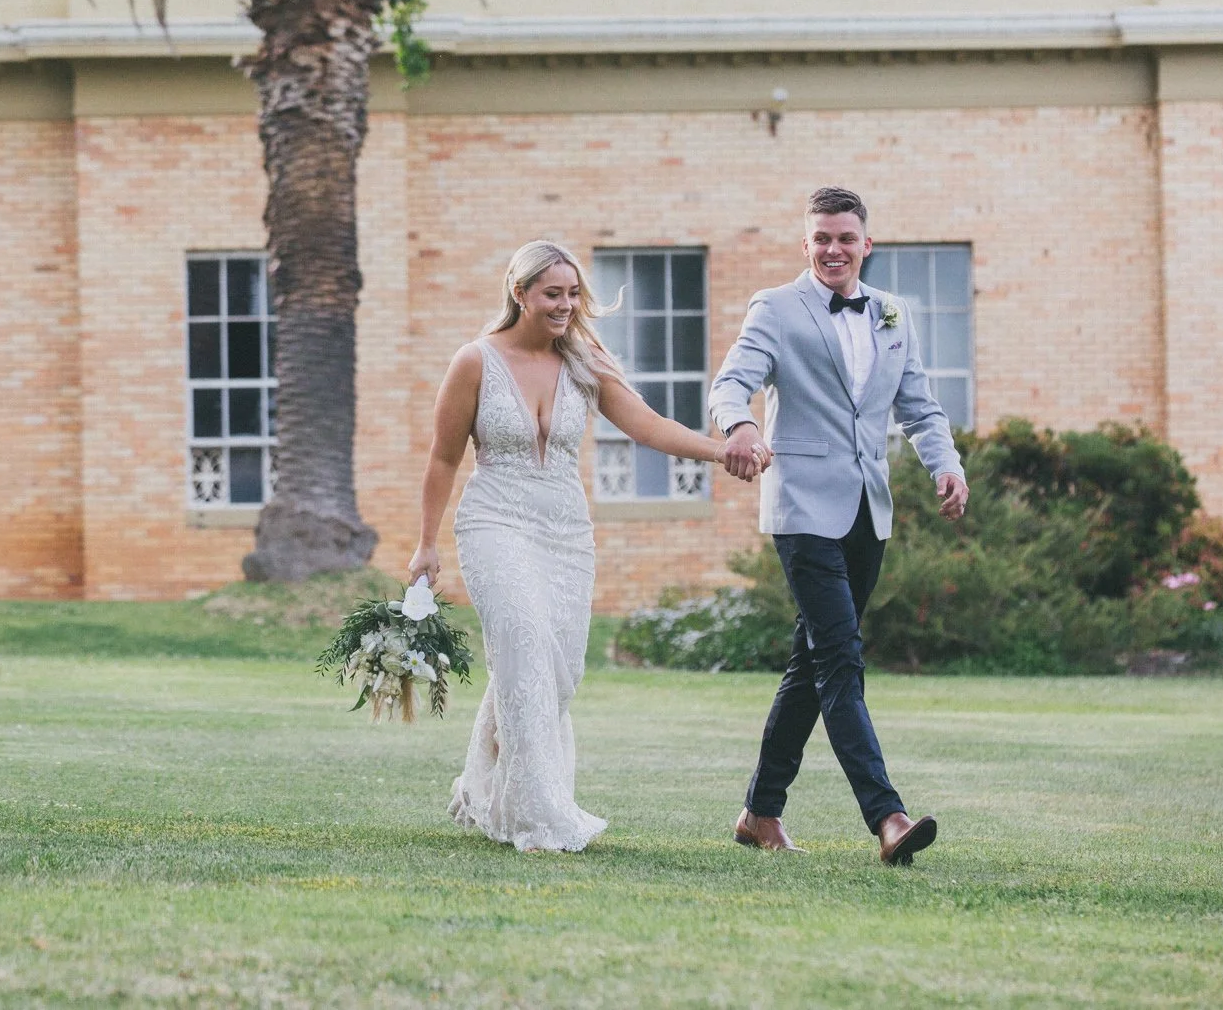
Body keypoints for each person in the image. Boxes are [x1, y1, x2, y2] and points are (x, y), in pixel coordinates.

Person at [407, 240, 747, 852]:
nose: (566, 306)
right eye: (552, 295)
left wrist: (719, 450)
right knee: (525, 642)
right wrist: (425, 545)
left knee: (554, 669)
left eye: (572, 295)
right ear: (520, 294)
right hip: (495, 524)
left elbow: (647, 425)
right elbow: (442, 457)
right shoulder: (475, 362)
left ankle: (480, 784)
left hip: (566, 533)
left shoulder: (585, 360)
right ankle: (538, 815)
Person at [711, 186, 970, 865]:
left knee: (812, 663)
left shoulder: (893, 312)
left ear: (866, 244)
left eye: (845, 238)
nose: (833, 249)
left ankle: (760, 812)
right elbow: (730, 383)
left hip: (868, 511)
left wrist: (947, 465)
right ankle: (888, 817)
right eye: (821, 238)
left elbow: (920, 405)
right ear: (807, 244)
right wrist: (739, 424)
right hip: (801, 507)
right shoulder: (776, 307)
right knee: (840, 657)